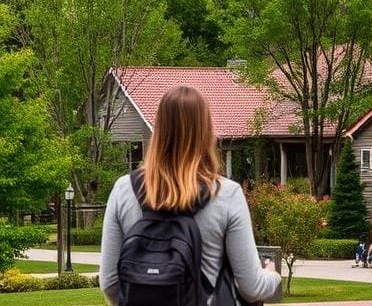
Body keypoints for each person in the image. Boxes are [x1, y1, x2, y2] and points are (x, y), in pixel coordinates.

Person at [100, 86, 281, 306]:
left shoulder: (123, 190)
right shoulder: (227, 194)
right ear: (206, 131)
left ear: (159, 129)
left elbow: (109, 283)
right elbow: (252, 288)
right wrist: (272, 275)